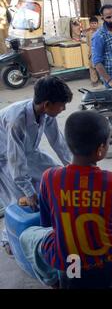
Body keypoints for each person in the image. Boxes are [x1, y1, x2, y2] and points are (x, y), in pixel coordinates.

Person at [19, 110, 112, 288]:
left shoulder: (49, 177)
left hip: (70, 262)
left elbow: (49, 225)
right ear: (100, 150)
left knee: (27, 236)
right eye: (107, 142)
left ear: (69, 145)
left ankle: (53, 281)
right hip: (110, 257)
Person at [0, 76, 73, 254]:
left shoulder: (46, 114)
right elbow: (15, 160)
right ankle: (8, 239)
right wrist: (30, 192)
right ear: (47, 104)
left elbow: (58, 142)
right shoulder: (16, 119)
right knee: (18, 200)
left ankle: (50, 219)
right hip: (4, 158)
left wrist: (72, 167)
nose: (63, 109)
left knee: (57, 175)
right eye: (61, 105)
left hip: (28, 152)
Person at [85, 16, 100, 86]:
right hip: (92, 52)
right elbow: (88, 43)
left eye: (95, 23)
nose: (93, 25)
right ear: (89, 24)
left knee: (101, 65)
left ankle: (103, 79)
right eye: (92, 23)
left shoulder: (101, 32)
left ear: (97, 24)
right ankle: (94, 81)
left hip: (100, 51)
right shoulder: (88, 33)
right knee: (92, 67)